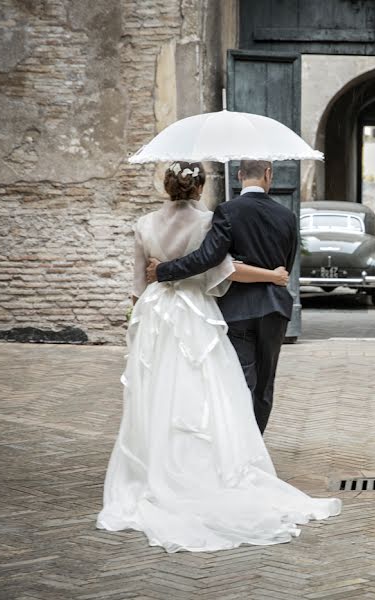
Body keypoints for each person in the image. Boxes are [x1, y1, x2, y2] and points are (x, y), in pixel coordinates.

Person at [97, 161, 340, 553]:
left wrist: (150, 295)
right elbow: (219, 269)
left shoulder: (151, 224)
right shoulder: (229, 218)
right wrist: (275, 277)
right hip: (219, 311)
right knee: (237, 386)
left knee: (163, 389)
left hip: (160, 313)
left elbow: (139, 284)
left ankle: (164, 461)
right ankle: (241, 454)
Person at [146, 160, 294, 435]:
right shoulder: (287, 215)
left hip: (237, 309)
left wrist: (164, 270)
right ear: (268, 174)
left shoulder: (227, 211)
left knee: (239, 380)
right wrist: (273, 277)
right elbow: (287, 265)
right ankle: (256, 441)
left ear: (239, 176)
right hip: (275, 307)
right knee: (264, 383)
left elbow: (208, 258)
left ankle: (242, 445)